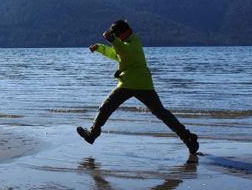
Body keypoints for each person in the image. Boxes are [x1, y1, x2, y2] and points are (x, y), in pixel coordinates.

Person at [76, 19, 199, 154]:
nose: (115, 37)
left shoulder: (133, 43)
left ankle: (92, 134)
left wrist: (112, 40)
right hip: (142, 84)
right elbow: (116, 53)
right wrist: (99, 47)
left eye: (116, 35)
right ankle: (188, 137)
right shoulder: (124, 43)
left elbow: (124, 51)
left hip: (130, 83)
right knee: (161, 113)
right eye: (114, 36)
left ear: (124, 32)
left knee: (106, 107)